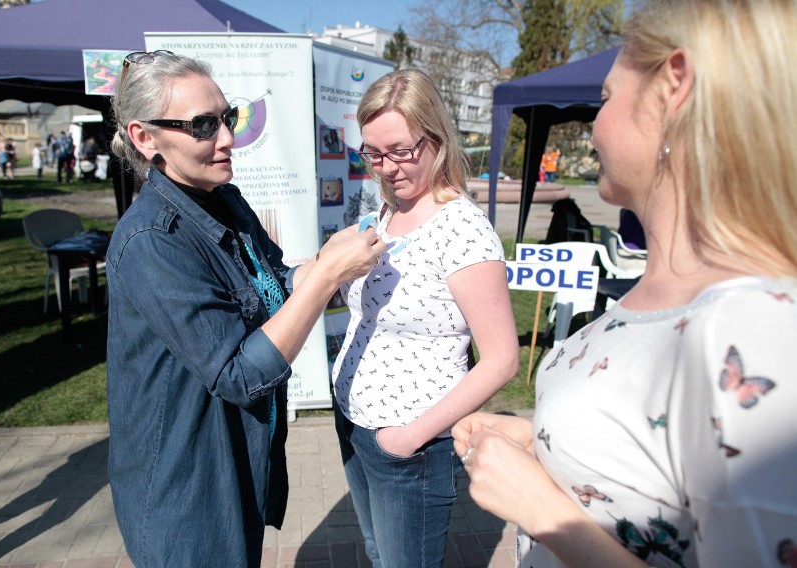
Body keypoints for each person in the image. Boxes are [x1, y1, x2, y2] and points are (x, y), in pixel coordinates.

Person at [452, 1, 797, 567]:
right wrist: (542, 436)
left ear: (673, 89)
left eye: (607, 98)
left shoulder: (751, 327)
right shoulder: (665, 294)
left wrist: (542, 511)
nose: (594, 121)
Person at [105, 50, 384, 566]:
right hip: (186, 490)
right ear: (146, 138)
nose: (229, 137)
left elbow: (272, 284)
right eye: (204, 125)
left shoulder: (224, 199)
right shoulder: (150, 242)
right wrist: (324, 279)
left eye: (227, 117)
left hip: (235, 464)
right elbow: (238, 373)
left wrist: (336, 268)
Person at [331, 68, 520, 567]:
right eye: (373, 153)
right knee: (379, 553)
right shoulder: (388, 209)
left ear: (435, 138)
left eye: (400, 151)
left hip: (408, 446)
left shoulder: (463, 232)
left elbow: (501, 360)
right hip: (355, 420)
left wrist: (408, 438)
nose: (386, 167)